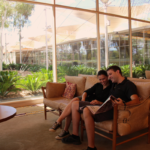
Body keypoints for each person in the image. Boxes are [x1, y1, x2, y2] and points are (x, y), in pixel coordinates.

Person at [62, 65, 140, 150]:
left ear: (118, 72)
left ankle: (89, 146)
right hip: (105, 106)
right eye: (108, 75)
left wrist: (124, 104)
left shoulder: (128, 85)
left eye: (110, 74)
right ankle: (85, 143)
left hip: (114, 110)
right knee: (82, 108)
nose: (109, 77)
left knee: (86, 110)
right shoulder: (114, 84)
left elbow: (136, 100)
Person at [49, 70, 112, 140]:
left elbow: (109, 101)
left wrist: (99, 102)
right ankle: (61, 125)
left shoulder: (112, 87)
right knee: (74, 100)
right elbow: (86, 92)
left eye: (104, 79)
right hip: (87, 100)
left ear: (107, 77)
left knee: (73, 105)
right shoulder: (98, 85)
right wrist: (83, 100)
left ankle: (61, 126)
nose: (102, 81)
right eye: (100, 79)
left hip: (94, 104)